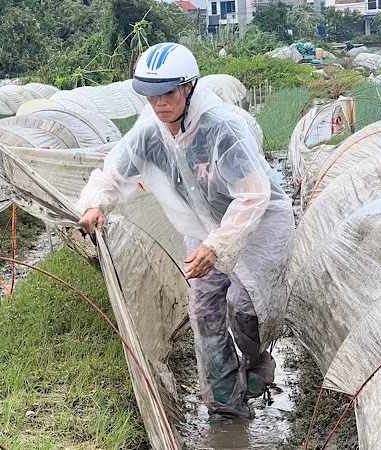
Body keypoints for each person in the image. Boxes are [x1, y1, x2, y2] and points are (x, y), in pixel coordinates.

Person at [76, 43, 294, 418]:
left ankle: (257, 363)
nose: (159, 104)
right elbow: (114, 172)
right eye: (150, 96)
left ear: (188, 88)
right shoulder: (149, 132)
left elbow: (253, 196)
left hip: (256, 228)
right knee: (204, 309)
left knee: (246, 308)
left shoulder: (222, 128)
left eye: (168, 94)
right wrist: (96, 202)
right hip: (200, 226)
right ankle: (226, 404)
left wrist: (218, 247)